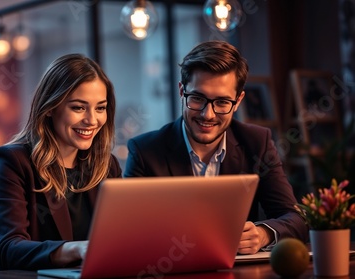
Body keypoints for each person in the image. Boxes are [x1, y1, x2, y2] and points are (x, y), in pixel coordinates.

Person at [124, 41, 309, 254]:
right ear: (181, 91)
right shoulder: (144, 151)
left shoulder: (257, 142)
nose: (208, 114)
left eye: (222, 102)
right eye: (197, 98)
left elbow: (297, 219)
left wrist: (263, 234)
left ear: (238, 101)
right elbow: (129, 231)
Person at [0, 53, 122, 271]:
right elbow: (8, 248)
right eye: (79, 107)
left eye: (100, 108)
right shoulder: (13, 161)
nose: (92, 120)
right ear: (50, 107)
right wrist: (76, 249)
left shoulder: (107, 165)